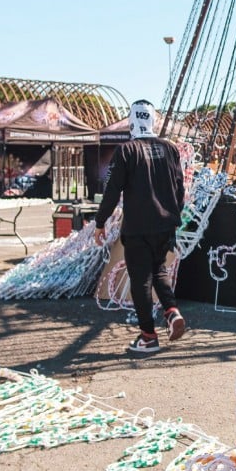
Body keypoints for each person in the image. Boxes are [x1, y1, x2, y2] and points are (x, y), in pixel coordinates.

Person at [94, 100, 186, 353]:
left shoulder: (126, 150)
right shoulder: (170, 148)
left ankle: (148, 336)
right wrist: (174, 216)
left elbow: (112, 191)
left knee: (141, 280)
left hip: (138, 227)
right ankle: (171, 311)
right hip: (166, 224)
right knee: (159, 270)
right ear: (153, 120)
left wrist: (100, 223)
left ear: (132, 120)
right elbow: (180, 188)